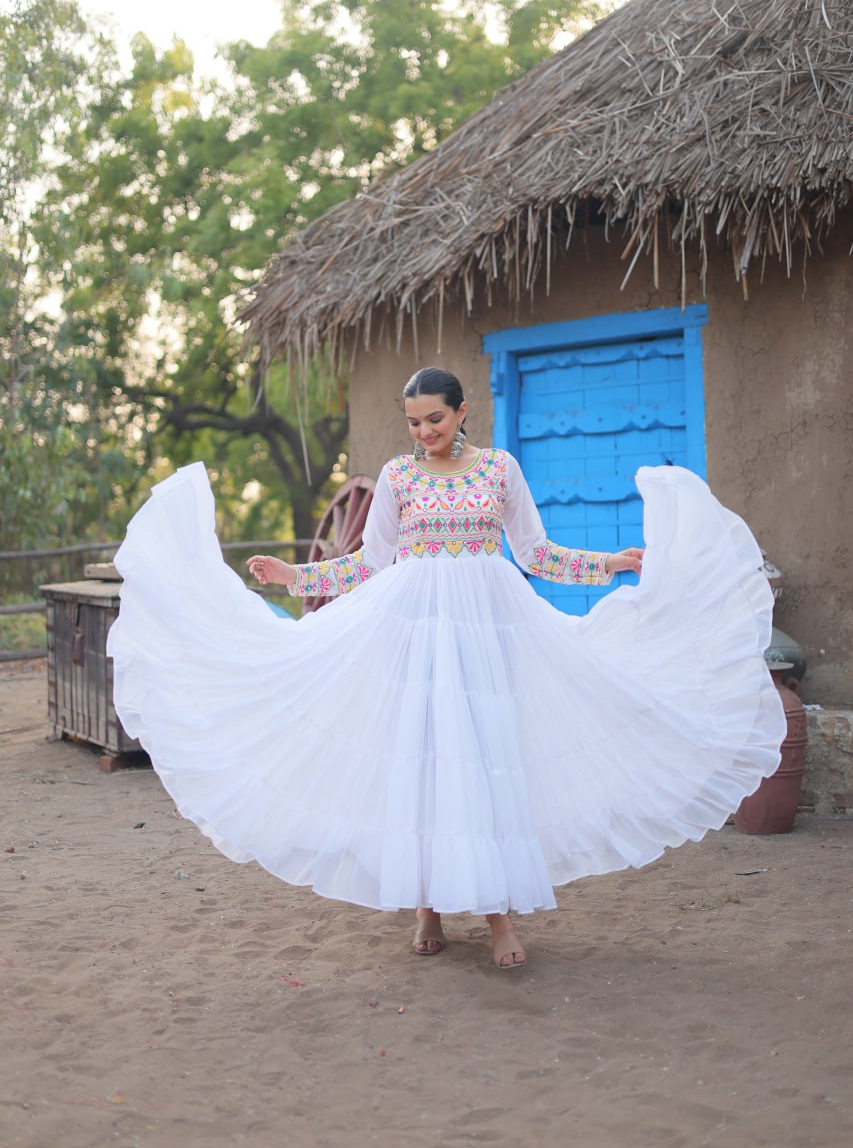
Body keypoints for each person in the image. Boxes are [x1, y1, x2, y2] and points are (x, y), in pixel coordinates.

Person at [108, 366, 785, 971]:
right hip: (412, 633)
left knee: (487, 758)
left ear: (463, 413)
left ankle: (497, 916)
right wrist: (295, 574)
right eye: (412, 421)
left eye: (435, 417)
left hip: (490, 635)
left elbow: (534, 553)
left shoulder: (498, 470)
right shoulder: (399, 478)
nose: (424, 430)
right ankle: (426, 905)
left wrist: (608, 565)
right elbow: (370, 563)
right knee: (424, 758)